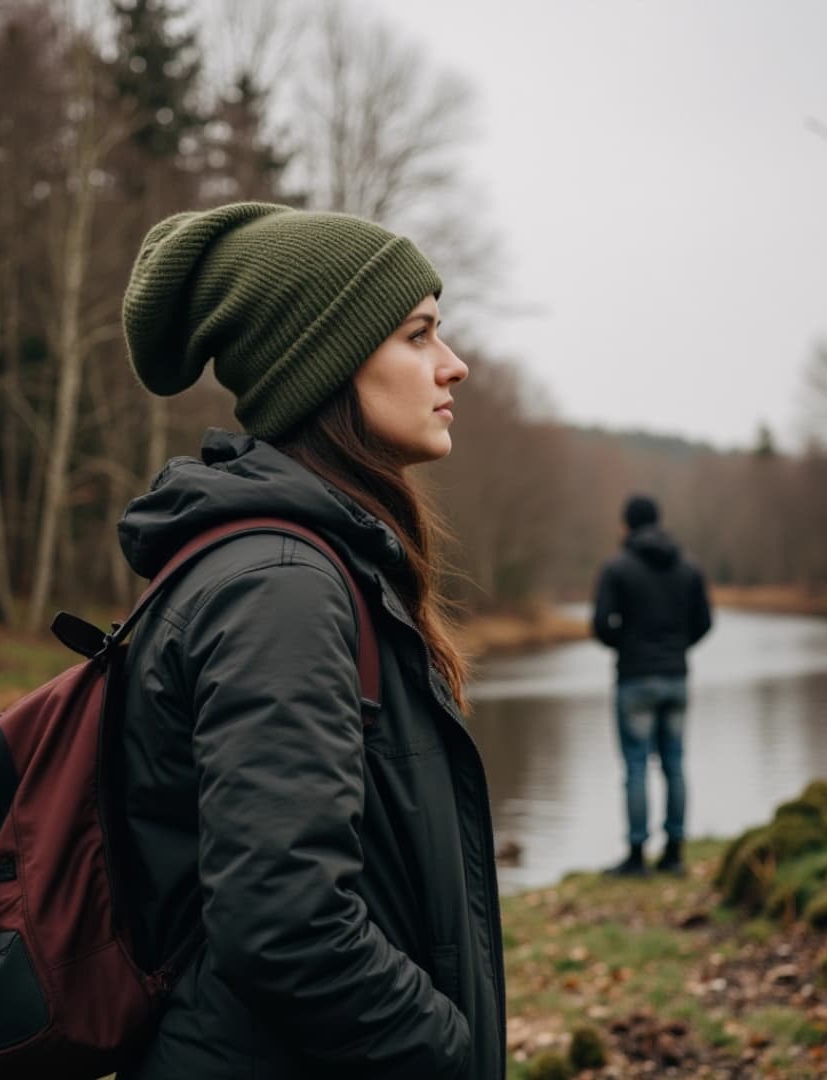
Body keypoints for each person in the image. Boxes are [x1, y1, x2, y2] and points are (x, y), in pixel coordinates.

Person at [113, 202, 505, 1079]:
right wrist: (444, 1050)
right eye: (418, 335)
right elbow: (284, 921)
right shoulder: (281, 588)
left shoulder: (305, 567)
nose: (455, 366)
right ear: (323, 362)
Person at [591, 494, 712, 877]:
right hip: (676, 678)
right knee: (675, 764)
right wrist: (677, 648)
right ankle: (674, 853)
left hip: (634, 680)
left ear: (626, 525)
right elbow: (705, 622)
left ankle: (636, 856)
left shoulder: (617, 567)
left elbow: (599, 624)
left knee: (636, 768)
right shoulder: (689, 566)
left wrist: (626, 646)